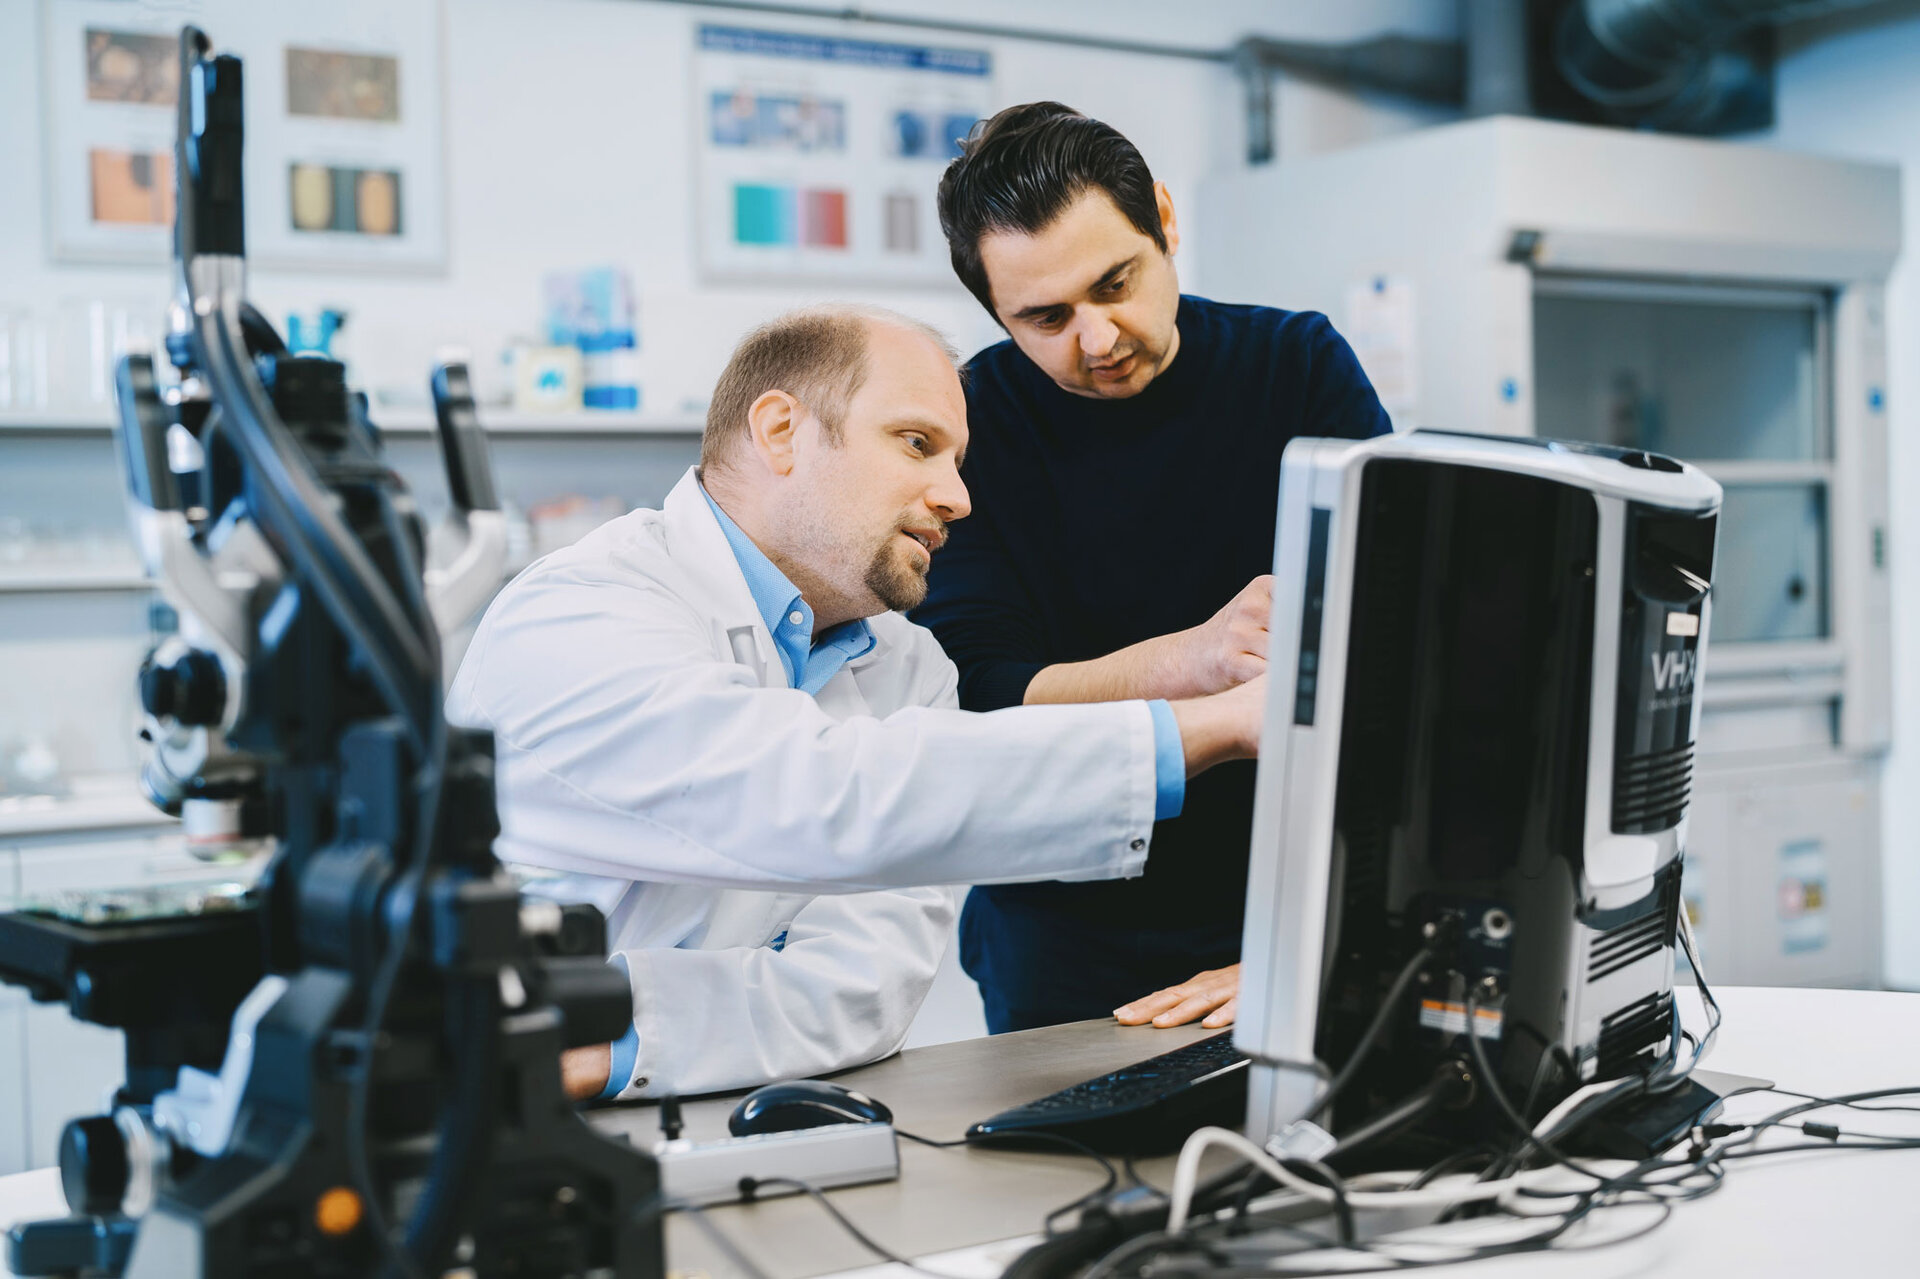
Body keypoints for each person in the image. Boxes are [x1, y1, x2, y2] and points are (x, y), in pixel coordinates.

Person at [447, 304, 1267, 1101]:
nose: (958, 498)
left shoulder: (911, 668)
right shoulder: (582, 610)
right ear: (780, 431)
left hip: (686, 1104)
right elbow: (817, 796)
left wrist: (623, 1035)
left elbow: (858, 990)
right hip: (486, 1108)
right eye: (918, 444)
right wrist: (1204, 726)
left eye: (959, 462)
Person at [912, 101, 1392, 1035]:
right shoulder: (972, 424)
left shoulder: (1294, 365)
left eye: (1117, 283)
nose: (1097, 340)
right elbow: (985, 702)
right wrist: (1194, 659)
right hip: (1064, 931)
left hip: (1289, 901)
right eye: (1044, 318)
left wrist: (1328, 927)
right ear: (995, 313)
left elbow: (1403, 648)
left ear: (1165, 221)